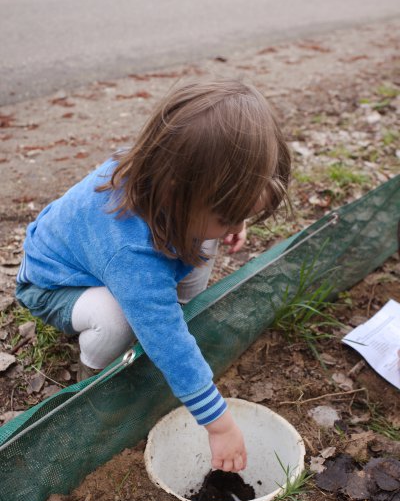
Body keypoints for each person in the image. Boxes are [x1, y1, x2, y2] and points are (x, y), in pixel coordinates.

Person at [15, 79, 291, 473]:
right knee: (121, 319)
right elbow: (166, 336)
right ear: (177, 190)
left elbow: (207, 219)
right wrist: (219, 424)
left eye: (241, 214)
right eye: (230, 215)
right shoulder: (131, 252)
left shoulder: (170, 174)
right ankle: (95, 377)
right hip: (54, 284)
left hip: (110, 263)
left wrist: (230, 220)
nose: (237, 225)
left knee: (198, 249)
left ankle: (174, 305)